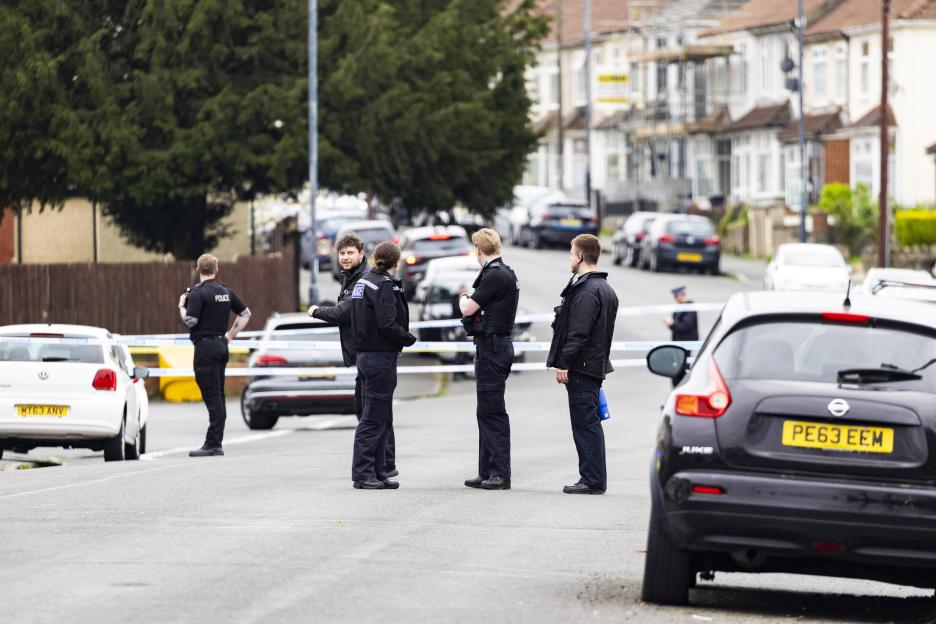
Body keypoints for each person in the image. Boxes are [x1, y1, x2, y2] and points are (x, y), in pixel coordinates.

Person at [308, 233, 398, 478]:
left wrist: (316, 310)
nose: (345, 257)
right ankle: (382, 467)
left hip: (371, 354)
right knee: (375, 413)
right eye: (342, 253)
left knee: (370, 414)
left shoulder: (363, 280)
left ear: (362, 254)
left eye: (350, 253)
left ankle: (379, 467)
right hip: (368, 356)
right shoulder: (351, 278)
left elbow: (342, 312)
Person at [547, 234, 619, 494]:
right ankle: (592, 477)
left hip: (582, 367)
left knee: (585, 424)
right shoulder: (604, 288)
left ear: (580, 256)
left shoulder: (588, 290)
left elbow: (579, 333)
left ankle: (592, 479)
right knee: (589, 423)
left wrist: (563, 363)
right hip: (592, 366)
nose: (569, 258)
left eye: (570, 253)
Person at [349, 241, 417, 489]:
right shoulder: (384, 286)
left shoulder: (362, 283)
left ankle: (378, 472)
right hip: (380, 357)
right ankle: (364, 473)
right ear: (396, 263)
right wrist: (408, 339)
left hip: (365, 356)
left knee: (378, 417)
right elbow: (388, 323)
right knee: (374, 419)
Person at [459, 228, 519, 491]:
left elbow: (468, 308)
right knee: (485, 410)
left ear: (478, 251)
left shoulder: (494, 275)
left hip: (493, 347)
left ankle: (499, 473)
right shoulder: (505, 272)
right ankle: (486, 470)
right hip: (495, 346)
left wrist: (462, 295)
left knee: (492, 411)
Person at [178, 254, 251, 457]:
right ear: (216, 269)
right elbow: (246, 314)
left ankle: (213, 443)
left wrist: (181, 306)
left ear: (198, 269)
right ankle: (214, 441)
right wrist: (230, 335)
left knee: (212, 395)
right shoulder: (226, 292)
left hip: (205, 349)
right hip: (221, 345)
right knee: (218, 394)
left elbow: (190, 321)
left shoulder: (197, 293)